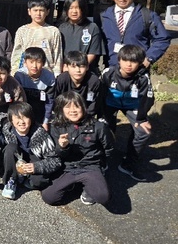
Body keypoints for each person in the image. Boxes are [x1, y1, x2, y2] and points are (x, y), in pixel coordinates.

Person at [41, 92, 113, 206]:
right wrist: (62, 147)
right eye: (68, 107)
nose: (73, 110)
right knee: (49, 197)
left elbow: (108, 148)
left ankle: (88, 187)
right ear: (61, 109)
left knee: (102, 197)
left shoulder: (98, 126)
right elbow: (55, 154)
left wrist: (102, 167)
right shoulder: (56, 126)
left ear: (83, 107)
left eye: (77, 106)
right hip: (67, 167)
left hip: (90, 166)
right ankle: (74, 185)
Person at [101, 44, 155, 182]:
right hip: (109, 104)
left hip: (132, 106)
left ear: (140, 62)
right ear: (119, 60)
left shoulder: (143, 77)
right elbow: (99, 93)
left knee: (144, 132)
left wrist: (141, 118)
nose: (129, 65)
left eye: (134, 61)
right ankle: (101, 159)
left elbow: (148, 98)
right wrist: (99, 114)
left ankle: (129, 163)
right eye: (125, 60)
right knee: (101, 129)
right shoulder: (108, 72)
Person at [98, 0, 170, 68]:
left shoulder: (148, 16)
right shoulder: (104, 16)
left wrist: (149, 58)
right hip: (112, 67)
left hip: (138, 67)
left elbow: (162, 38)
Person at [0, 102, 61, 200]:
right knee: (10, 148)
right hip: (16, 158)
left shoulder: (41, 134)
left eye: (25, 117)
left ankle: (25, 180)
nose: (21, 122)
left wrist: (36, 167)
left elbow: (55, 161)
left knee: (39, 181)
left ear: (31, 119)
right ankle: (11, 180)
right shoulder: (7, 130)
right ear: (11, 120)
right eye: (17, 118)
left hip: (33, 161)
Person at [10, 0, 63, 76]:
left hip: (47, 74)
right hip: (25, 74)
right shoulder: (22, 31)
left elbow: (57, 55)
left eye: (41, 10)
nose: (38, 14)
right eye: (35, 10)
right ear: (29, 11)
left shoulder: (53, 31)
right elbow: (17, 54)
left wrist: (56, 75)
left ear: (47, 12)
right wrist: (14, 73)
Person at [58, 0, 103, 74]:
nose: (74, 11)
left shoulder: (92, 27)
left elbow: (92, 53)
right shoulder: (61, 28)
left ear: (83, 9)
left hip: (85, 71)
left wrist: (78, 67)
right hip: (65, 70)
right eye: (71, 8)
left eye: (77, 8)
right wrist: (65, 67)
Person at [13, 47, 55, 131]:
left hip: (41, 112)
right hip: (23, 112)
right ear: (25, 62)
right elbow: (17, 100)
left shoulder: (49, 77)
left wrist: (45, 121)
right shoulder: (19, 75)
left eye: (38, 62)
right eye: (31, 62)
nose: (34, 66)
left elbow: (49, 101)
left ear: (43, 63)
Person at [53, 51, 102, 118]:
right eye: (73, 67)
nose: (78, 70)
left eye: (82, 66)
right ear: (66, 67)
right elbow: (56, 100)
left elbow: (94, 104)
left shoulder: (93, 81)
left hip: (86, 115)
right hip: (65, 115)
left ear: (87, 67)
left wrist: (84, 116)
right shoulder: (62, 79)